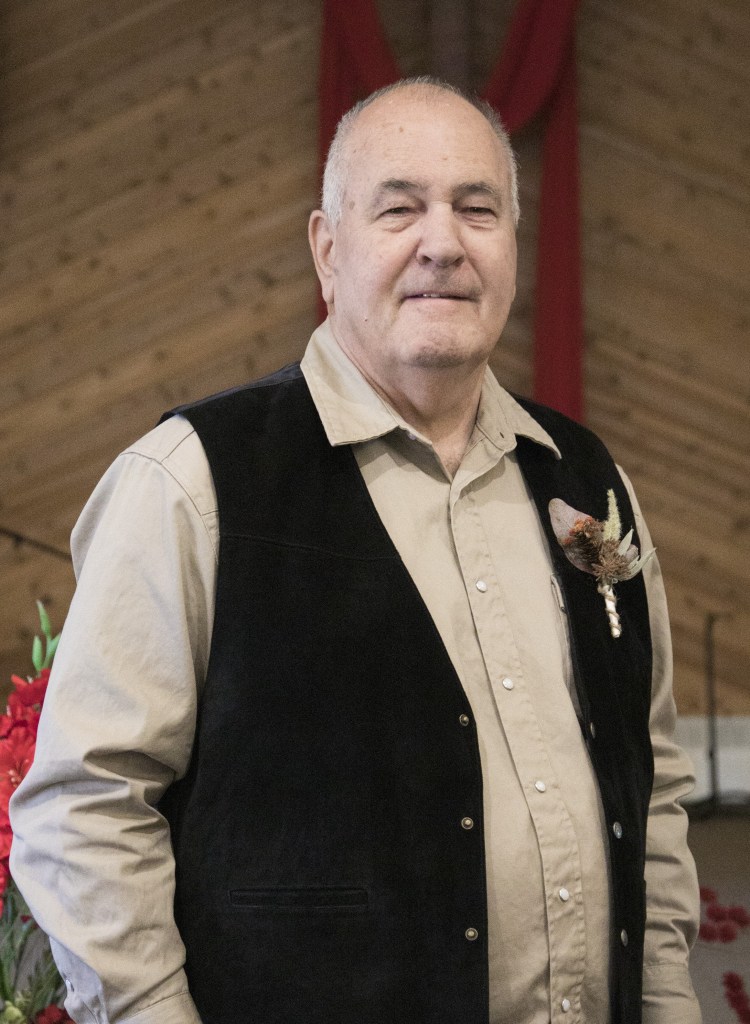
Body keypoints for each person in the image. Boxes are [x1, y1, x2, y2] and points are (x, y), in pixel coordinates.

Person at [10, 78, 701, 1024]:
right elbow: (84, 809)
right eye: (400, 208)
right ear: (327, 250)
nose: (443, 243)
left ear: (512, 245)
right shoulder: (190, 482)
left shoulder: (589, 479)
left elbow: (650, 788)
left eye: (477, 209)